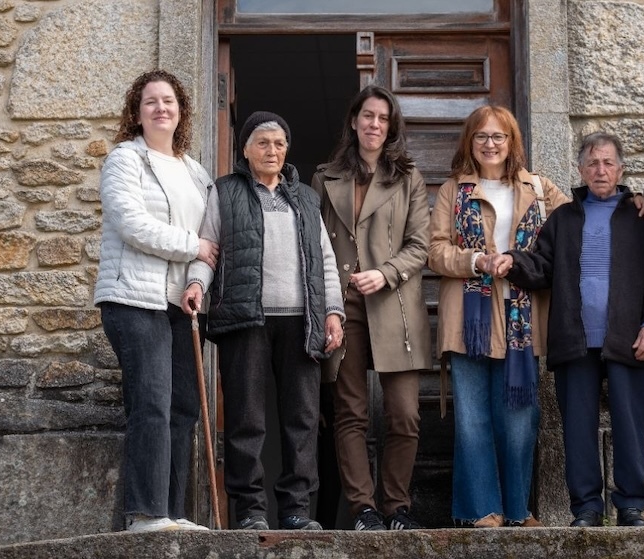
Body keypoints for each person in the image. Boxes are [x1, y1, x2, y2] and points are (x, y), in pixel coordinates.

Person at [487, 132, 644, 528]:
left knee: (631, 425)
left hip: (629, 337)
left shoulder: (640, 217)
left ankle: (631, 506)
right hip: (574, 339)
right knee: (578, 428)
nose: (600, 170)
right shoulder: (564, 218)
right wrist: (512, 262)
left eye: (608, 163)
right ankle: (586, 508)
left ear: (621, 170)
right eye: (592, 163)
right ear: (581, 170)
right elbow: (541, 266)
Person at [181, 111, 344, 531]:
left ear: (287, 150)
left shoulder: (305, 197)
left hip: (301, 321)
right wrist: (197, 284)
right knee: (246, 418)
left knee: (302, 420)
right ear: (246, 149)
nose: (272, 151)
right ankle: (250, 511)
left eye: (279, 144)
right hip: (245, 319)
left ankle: (296, 510)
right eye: (263, 143)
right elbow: (209, 248)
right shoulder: (225, 191)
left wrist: (332, 312)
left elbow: (325, 260)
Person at [427, 105, 568, 528]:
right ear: (470, 142)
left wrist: (628, 200)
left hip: (521, 320)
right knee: (473, 420)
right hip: (469, 320)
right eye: (482, 136)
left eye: (498, 136)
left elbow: (578, 220)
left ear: (512, 142)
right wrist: (477, 261)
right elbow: (435, 251)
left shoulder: (539, 188)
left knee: (520, 420)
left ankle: (518, 510)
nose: (490, 144)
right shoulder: (453, 191)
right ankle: (482, 509)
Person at [94, 69, 217, 533]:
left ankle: (173, 514)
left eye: (168, 101)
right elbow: (131, 223)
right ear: (137, 112)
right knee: (151, 402)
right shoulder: (125, 159)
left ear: (181, 111)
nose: (160, 108)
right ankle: (144, 514)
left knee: (183, 407)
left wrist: (198, 282)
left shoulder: (195, 172)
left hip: (180, 306)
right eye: (151, 101)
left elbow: (211, 242)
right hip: (134, 299)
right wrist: (192, 247)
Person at [311, 85, 432, 531]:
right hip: (343, 308)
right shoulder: (325, 178)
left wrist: (385, 273)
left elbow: (420, 245)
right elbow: (315, 246)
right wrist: (326, 303)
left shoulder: (409, 177)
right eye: (367, 116)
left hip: (395, 305)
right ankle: (363, 509)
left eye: (382, 118)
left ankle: (396, 507)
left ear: (391, 126)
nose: (374, 124)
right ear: (354, 120)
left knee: (404, 413)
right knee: (350, 413)